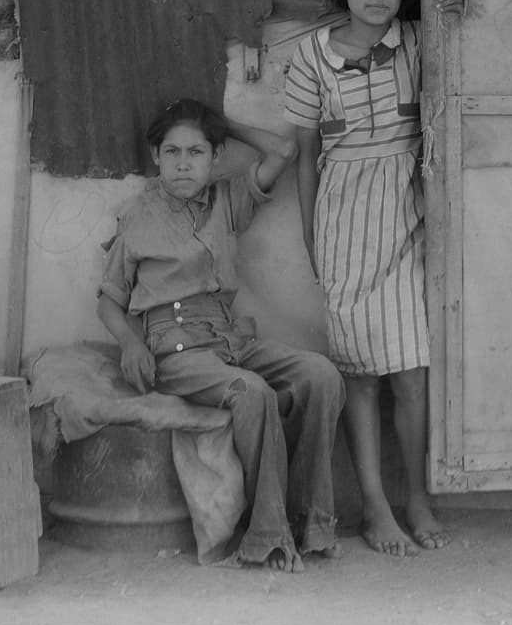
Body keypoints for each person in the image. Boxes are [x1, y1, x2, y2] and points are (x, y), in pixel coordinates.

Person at [96, 98, 346, 572]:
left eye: (196, 152)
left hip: (232, 338)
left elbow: (284, 151)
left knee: (322, 375)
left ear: (214, 157)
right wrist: (130, 342)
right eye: (172, 152)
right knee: (250, 392)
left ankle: (313, 522)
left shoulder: (227, 199)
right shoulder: (138, 217)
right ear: (156, 157)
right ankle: (267, 534)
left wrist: (222, 123)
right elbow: (109, 299)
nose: (183, 164)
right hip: (177, 348)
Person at [284, 0, 465, 557]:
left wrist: (455, 5)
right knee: (359, 374)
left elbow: (467, 31)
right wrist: (312, 237)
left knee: (411, 373)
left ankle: (417, 498)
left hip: (410, 210)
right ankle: (374, 507)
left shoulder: (419, 43)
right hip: (343, 221)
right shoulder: (309, 57)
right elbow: (306, 156)